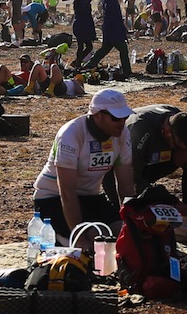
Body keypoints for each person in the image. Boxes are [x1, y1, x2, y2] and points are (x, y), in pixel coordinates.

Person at [31, 87, 137, 244]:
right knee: (93, 238)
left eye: (125, 117)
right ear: (98, 115)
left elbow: (126, 186)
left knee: (124, 233)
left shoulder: (122, 134)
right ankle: (57, 238)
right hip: (53, 197)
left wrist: (133, 227)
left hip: (90, 196)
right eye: (116, 118)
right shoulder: (71, 134)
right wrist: (78, 238)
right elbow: (67, 193)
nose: (122, 123)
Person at [125, 104, 187, 208]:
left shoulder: (177, 117)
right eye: (178, 146)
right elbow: (133, 177)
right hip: (127, 169)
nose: (180, 150)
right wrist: (168, 201)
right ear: (167, 132)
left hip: (152, 161)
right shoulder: (140, 128)